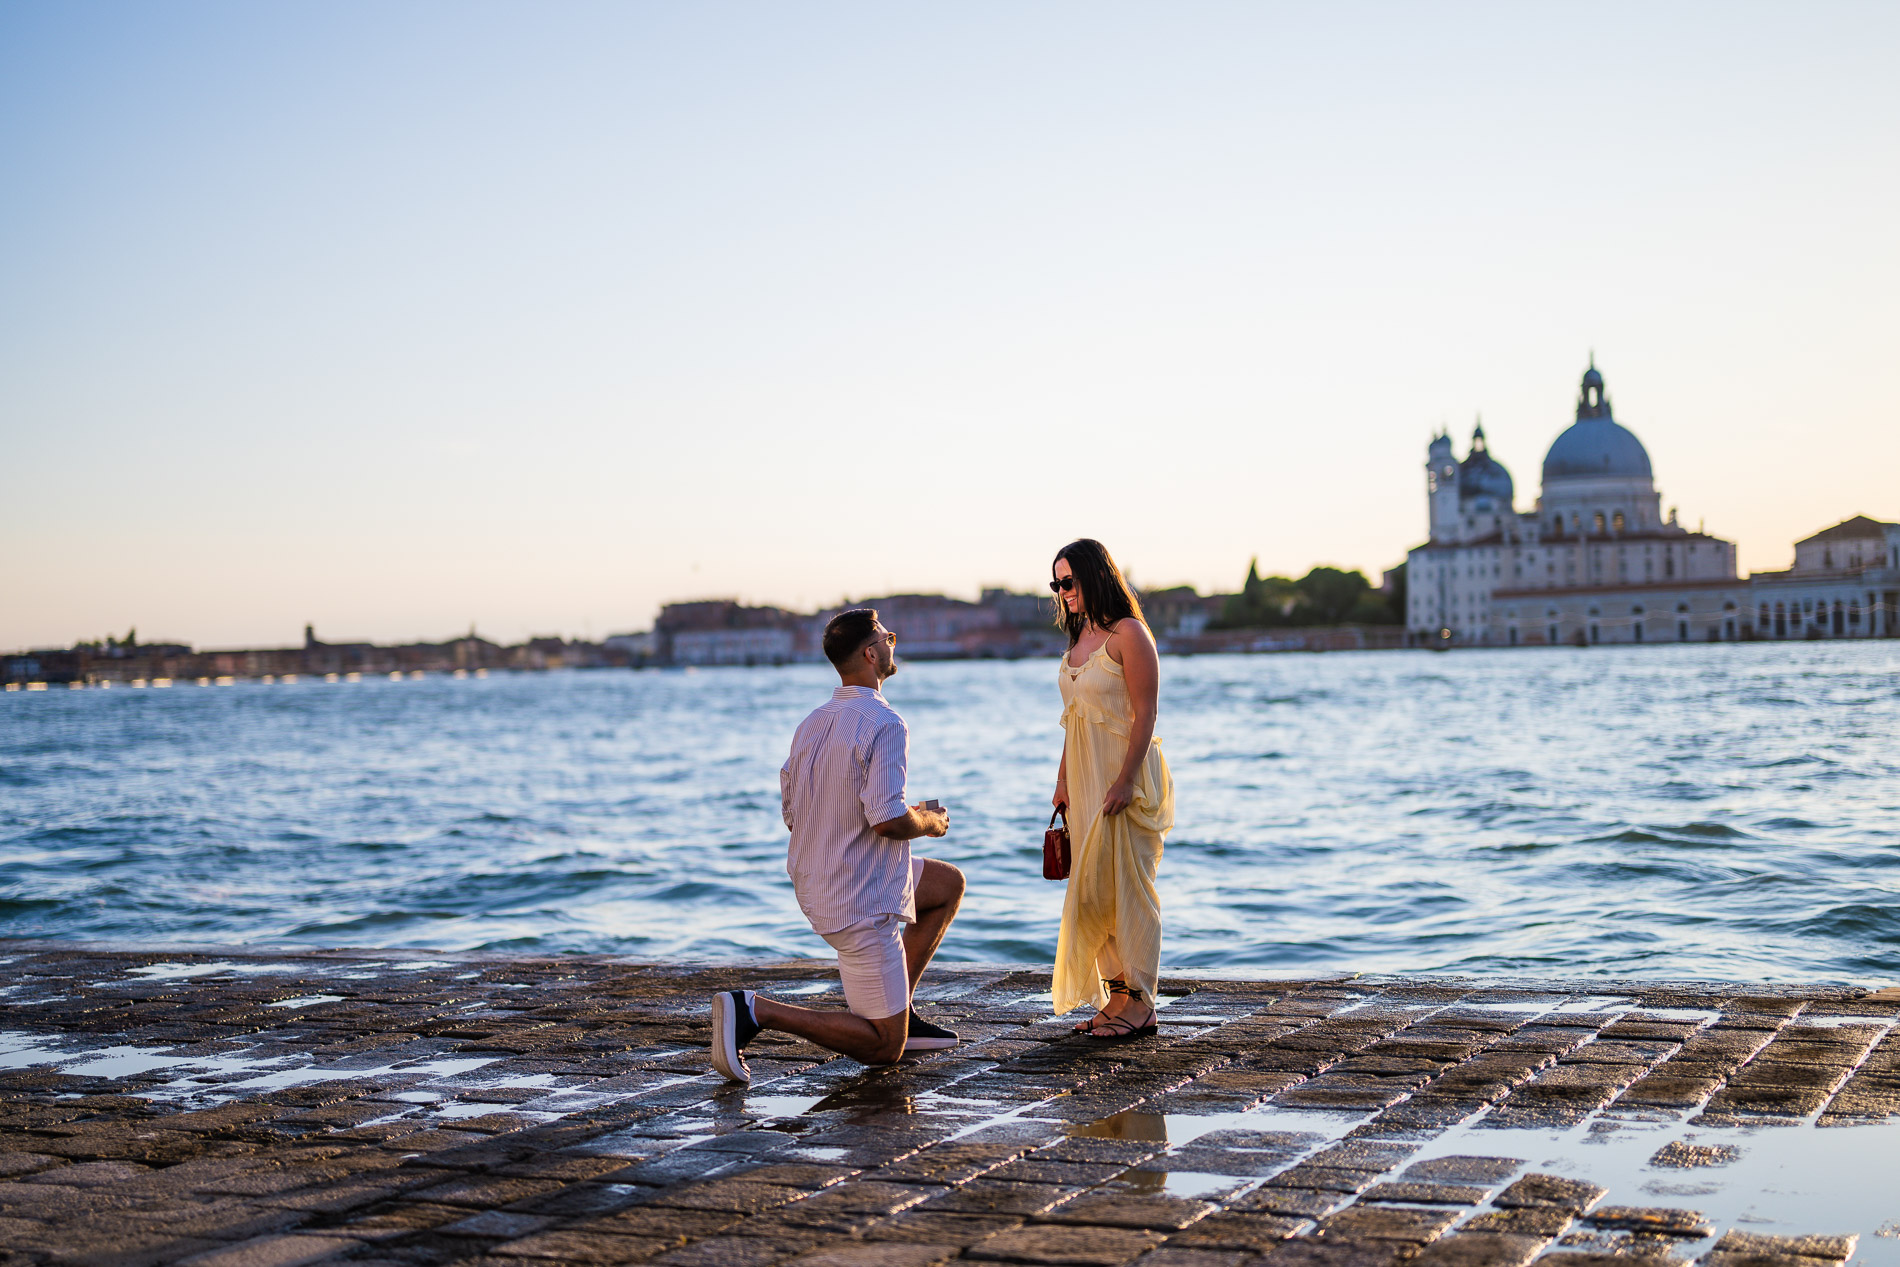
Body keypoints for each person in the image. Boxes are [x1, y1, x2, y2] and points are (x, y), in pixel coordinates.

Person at [710, 607, 965, 1083]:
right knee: (885, 1048)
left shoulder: (812, 723)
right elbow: (888, 820)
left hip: (819, 883)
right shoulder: (886, 723)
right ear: (871, 654)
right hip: (860, 901)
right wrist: (929, 821)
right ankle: (756, 1011)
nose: (894, 641)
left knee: (947, 884)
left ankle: (899, 1007)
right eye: (887, 636)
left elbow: (792, 815)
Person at [1049, 539, 1175, 1039]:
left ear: (1094, 577)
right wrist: (1062, 783)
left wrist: (1124, 780)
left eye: (1069, 581)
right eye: (1056, 584)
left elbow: (1146, 715)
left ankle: (1142, 1003)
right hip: (1084, 781)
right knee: (1091, 893)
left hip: (1125, 778)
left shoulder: (1130, 634)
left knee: (1129, 891)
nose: (1063, 592)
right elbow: (1073, 721)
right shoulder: (1079, 637)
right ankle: (1117, 995)